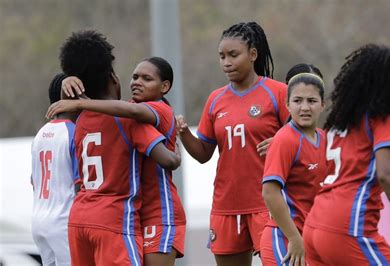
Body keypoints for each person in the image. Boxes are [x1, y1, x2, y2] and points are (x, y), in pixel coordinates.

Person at [47, 57, 185, 266]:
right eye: (135, 76)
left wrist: (79, 102)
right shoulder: (121, 112)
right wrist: (70, 81)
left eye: (147, 79)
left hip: (159, 213)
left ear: (164, 87)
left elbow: (129, 111)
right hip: (131, 214)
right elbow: (102, 108)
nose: (137, 82)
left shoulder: (157, 109)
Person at [176, 21, 289, 266]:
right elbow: (204, 153)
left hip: (267, 203)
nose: (226, 62)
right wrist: (184, 134)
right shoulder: (216, 100)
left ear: (252, 54)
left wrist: (282, 142)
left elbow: (304, 140)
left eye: (233, 55)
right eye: (222, 56)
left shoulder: (278, 92)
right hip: (226, 205)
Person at [303, 44, 390, 265]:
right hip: (347, 227)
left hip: (314, 224)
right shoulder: (383, 116)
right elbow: (386, 174)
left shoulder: (341, 120)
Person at [260, 71, 327, 266]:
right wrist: (295, 238)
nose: (304, 107)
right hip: (286, 239)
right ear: (287, 105)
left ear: (323, 105)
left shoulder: (324, 138)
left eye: (312, 101)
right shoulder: (285, 139)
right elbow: (270, 192)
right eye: (297, 101)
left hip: (311, 239)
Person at [30, 73, 79, 266]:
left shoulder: (40, 134)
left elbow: (34, 181)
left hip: (39, 220)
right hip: (63, 222)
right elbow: (79, 186)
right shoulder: (74, 132)